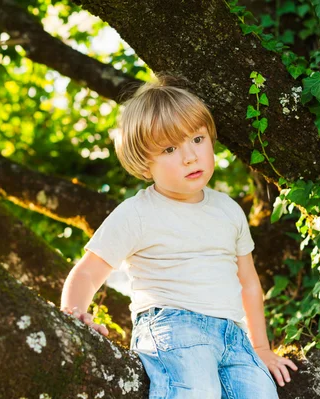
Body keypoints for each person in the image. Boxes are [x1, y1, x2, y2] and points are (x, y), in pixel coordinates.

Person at [60, 74, 297, 398]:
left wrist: (261, 347)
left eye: (198, 139)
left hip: (233, 336)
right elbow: (87, 272)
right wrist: (75, 315)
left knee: (261, 393)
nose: (190, 156)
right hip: (172, 325)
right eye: (170, 148)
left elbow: (249, 284)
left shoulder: (229, 210)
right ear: (145, 164)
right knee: (196, 391)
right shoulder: (137, 213)